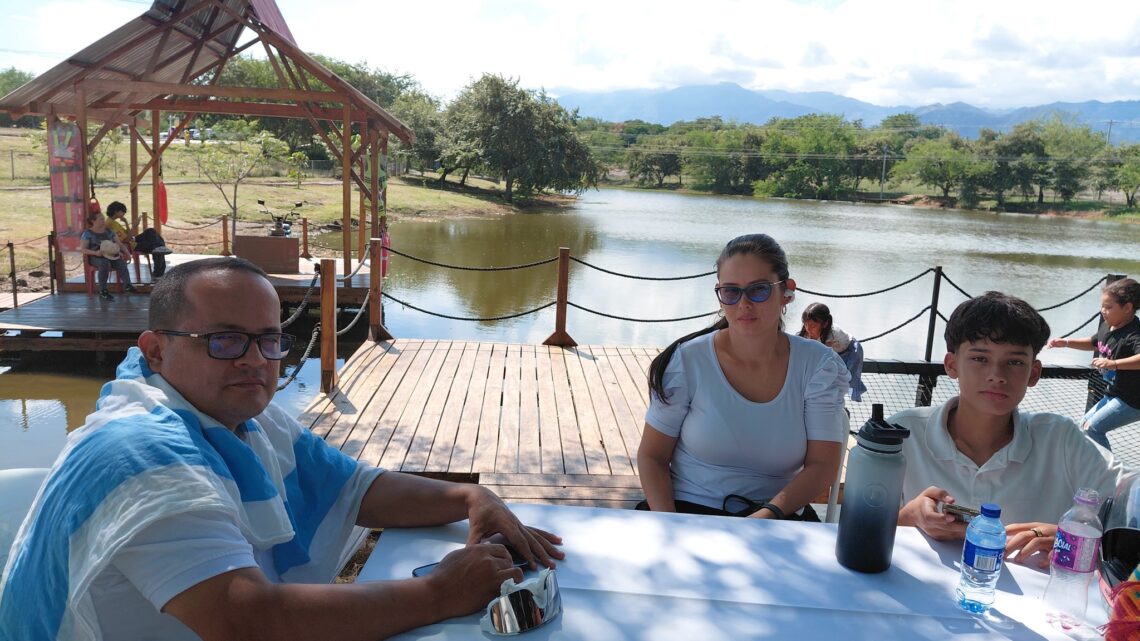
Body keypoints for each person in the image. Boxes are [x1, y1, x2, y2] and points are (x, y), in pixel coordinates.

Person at [0, 257, 564, 641]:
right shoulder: (143, 453)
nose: (254, 360)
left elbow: (359, 488)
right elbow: (245, 621)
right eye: (223, 340)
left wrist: (469, 495)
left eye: (269, 339)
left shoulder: (244, 419)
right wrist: (441, 592)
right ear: (155, 350)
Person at [895, 291, 1124, 568]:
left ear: (1034, 373)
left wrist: (1078, 538)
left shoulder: (1061, 440)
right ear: (952, 365)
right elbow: (848, 531)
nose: (997, 375)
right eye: (980, 358)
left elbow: (1130, 501)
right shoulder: (901, 434)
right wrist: (908, 517)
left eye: (1014, 362)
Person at [637, 234, 850, 521]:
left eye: (759, 290)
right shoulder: (688, 361)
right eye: (731, 292)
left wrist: (765, 516)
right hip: (686, 512)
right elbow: (652, 457)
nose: (744, 304)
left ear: (786, 291)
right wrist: (671, 525)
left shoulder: (818, 366)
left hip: (777, 514)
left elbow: (822, 466)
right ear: (720, 293)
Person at [1048, 278, 1140, 450]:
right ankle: (1091, 470)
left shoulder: (1134, 334)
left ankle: (1109, 474)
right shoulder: (1109, 326)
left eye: (1108, 307)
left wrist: (1114, 363)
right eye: (1102, 306)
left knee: (1093, 429)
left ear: (1127, 308)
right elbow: (1094, 342)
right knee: (1083, 426)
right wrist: (1066, 342)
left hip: (1133, 400)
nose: (1103, 311)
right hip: (1114, 393)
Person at [798, 302, 867, 401]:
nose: (808, 329)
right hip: (832, 353)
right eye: (805, 325)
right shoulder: (807, 333)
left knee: (838, 381)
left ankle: (835, 403)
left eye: (813, 326)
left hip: (848, 351)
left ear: (825, 324)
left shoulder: (833, 337)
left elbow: (819, 359)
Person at [80, 206, 135, 300]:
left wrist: (128, 254)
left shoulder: (110, 231)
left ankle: (127, 285)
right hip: (96, 256)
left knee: (120, 262)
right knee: (104, 263)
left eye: (103, 219)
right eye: (101, 219)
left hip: (110, 255)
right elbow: (83, 249)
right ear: (93, 221)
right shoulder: (87, 233)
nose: (103, 221)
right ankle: (103, 290)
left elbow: (120, 244)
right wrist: (95, 253)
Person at [105, 200, 171, 279]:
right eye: (122, 212)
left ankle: (160, 251)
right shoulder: (111, 224)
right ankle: (158, 274)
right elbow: (126, 240)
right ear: (116, 211)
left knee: (151, 231)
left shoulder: (113, 222)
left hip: (132, 240)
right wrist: (135, 226)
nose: (124, 214)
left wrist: (126, 222)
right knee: (155, 245)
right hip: (131, 245)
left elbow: (129, 234)